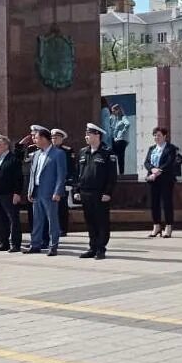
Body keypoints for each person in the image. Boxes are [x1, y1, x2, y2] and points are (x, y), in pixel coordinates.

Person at [77, 124, 117, 259]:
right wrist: (78, 189)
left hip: (100, 194)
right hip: (85, 192)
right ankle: (92, 247)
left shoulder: (107, 152)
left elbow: (112, 176)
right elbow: (80, 173)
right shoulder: (83, 152)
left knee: (101, 221)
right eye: (86, 134)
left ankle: (101, 248)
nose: (86, 137)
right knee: (90, 221)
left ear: (97, 135)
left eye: (89, 134)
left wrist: (108, 192)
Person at [25, 126, 66, 256]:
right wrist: (30, 190)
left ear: (43, 138)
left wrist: (58, 192)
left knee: (52, 220)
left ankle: (53, 245)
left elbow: (61, 175)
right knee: (37, 220)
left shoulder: (58, 153)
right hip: (37, 191)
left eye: (36, 138)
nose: (34, 140)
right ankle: (35, 244)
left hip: (50, 193)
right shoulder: (37, 153)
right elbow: (33, 174)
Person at [143, 127, 181, 238]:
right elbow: (147, 162)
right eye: (154, 135)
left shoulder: (171, 148)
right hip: (152, 180)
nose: (156, 137)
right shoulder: (152, 148)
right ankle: (156, 226)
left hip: (166, 179)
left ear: (165, 136)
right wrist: (152, 170)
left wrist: (157, 172)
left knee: (167, 203)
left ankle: (168, 226)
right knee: (154, 203)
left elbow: (169, 163)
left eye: (159, 135)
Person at [0, 134, 23, 252]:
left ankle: (15, 244)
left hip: (9, 194)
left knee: (13, 219)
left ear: (6, 146)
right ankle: (3, 242)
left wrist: (17, 193)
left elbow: (18, 178)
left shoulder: (13, 159)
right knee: (0, 220)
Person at [51, 129, 74, 238]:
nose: (54, 140)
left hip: (62, 182)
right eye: (52, 138)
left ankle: (63, 228)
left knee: (62, 207)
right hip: (50, 182)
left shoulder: (67, 151)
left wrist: (69, 182)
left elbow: (71, 168)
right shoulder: (49, 150)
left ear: (61, 139)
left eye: (56, 138)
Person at [110, 105, 131, 175]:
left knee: (120, 156)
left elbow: (128, 124)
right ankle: (120, 173)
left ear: (118, 110)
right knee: (119, 156)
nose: (113, 113)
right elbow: (113, 128)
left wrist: (122, 132)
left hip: (121, 140)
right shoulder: (116, 119)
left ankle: (121, 173)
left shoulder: (123, 117)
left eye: (113, 111)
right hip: (118, 140)